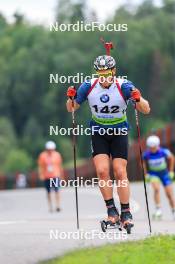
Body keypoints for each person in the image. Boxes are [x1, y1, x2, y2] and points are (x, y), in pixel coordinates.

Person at [66, 54, 150, 229]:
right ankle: (111, 211)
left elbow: (146, 109)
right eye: (100, 73)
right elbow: (71, 108)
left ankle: (126, 212)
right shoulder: (88, 86)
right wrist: (71, 98)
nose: (104, 77)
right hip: (99, 131)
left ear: (114, 71)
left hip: (119, 131)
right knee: (102, 171)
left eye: (107, 73)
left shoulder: (124, 86)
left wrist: (138, 98)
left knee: (120, 171)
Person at [143, 135, 175, 220]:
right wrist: (146, 174)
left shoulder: (164, 151)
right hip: (154, 174)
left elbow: (172, 158)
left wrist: (171, 171)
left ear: (157, 145)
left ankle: (173, 210)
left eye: (154, 147)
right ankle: (158, 210)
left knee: (169, 194)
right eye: (150, 147)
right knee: (156, 189)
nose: (152, 149)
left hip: (164, 174)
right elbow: (142, 163)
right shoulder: (147, 154)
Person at [38, 141, 64, 212]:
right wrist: (41, 174)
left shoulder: (57, 155)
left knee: (57, 190)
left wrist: (62, 175)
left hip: (55, 175)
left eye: (51, 149)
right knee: (48, 192)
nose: (50, 151)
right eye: (49, 149)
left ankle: (58, 205)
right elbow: (41, 166)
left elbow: (60, 165)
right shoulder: (42, 155)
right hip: (47, 176)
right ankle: (50, 206)